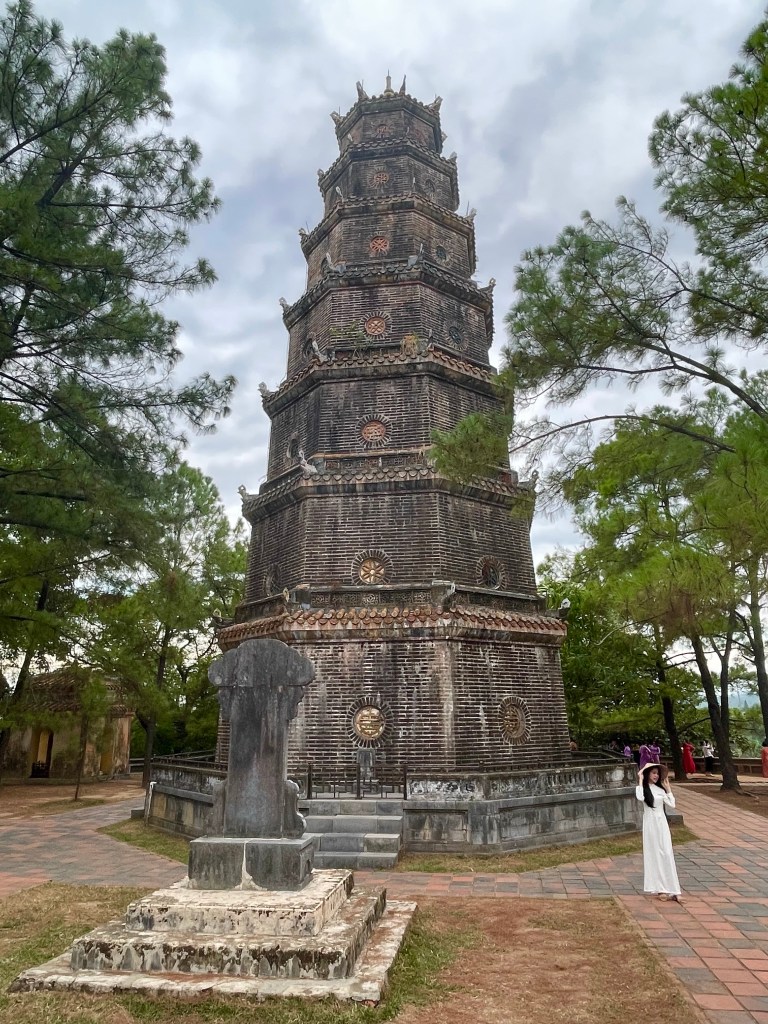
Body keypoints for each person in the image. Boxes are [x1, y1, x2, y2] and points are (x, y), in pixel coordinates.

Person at [636, 763, 683, 903]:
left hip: (661, 823)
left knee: (666, 853)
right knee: (654, 854)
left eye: (657, 773)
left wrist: (668, 789)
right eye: (653, 773)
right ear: (647, 775)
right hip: (650, 824)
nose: (656, 775)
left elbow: (672, 804)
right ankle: (660, 888)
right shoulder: (643, 789)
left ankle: (673, 889)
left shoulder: (660, 790)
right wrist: (640, 778)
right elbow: (640, 797)